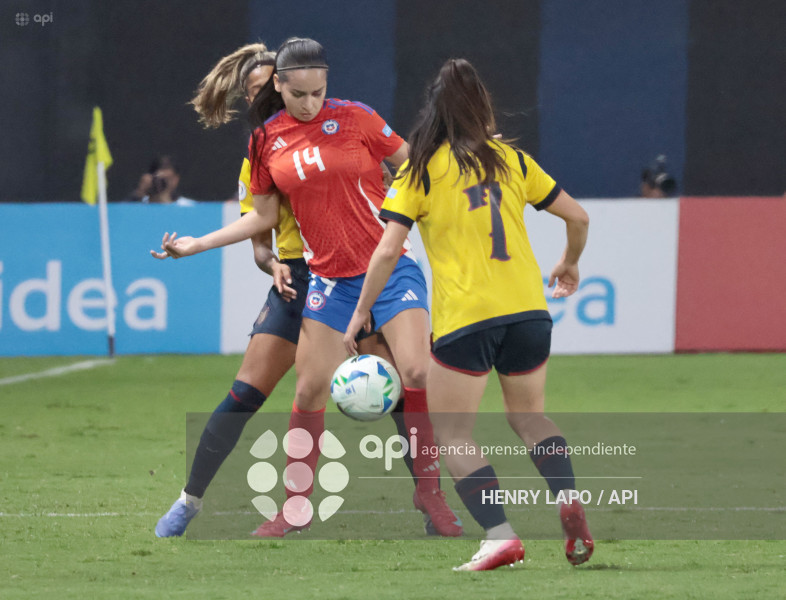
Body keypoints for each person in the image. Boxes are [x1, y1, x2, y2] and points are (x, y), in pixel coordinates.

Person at [152, 39, 461, 538]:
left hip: (390, 269)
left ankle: (430, 494)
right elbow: (265, 217)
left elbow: (412, 168)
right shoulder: (264, 143)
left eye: (319, 92)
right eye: (299, 94)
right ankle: (294, 508)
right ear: (279, 85)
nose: (311, 103)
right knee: (310, 388)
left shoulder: (357, 117)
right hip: (328, 281)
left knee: (417, 372)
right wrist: (199, 244)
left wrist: (434, 222)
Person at [343, 58, 594, 571]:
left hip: (466, 319)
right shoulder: (511, 159)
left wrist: (362, 309)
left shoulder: (420, 171)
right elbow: (579, 215)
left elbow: (389, 249)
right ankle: (567, 499)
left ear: (434, 113)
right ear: (482, 107)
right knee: (530, 417)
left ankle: (500, 535)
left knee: (452, 432)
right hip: (529, 312)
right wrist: (569, 262)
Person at [123, 155, 197, 205]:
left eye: (166, 180)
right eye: (157, 179)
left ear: (176, 180)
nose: (160, 184)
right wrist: (138, 193)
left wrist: (164, 200)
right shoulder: (137, 205)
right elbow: (119, 217)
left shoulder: (188, 207)